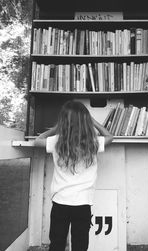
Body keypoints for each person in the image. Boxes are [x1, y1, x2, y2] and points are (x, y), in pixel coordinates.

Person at [34, 100, 113, 251]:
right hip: (83, 203)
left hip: (60, 201)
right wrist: (93, 121)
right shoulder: (92, 142)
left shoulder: (57, 141)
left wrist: (55, 129)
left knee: (57, 243)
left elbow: (37, 141)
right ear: (86, 121)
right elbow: (110, 137)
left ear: (63, 121)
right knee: (80, 244)